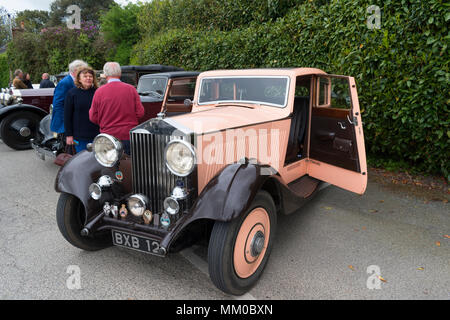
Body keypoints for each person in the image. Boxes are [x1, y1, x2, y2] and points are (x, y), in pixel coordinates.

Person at [89, 62, 144, 155]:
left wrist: (105, 121)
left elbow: (93, 117)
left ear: (105, 74)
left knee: (109, 167)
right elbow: (140, 113)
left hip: (108, 137)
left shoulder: (99, 92)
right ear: (120, 73)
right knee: (129, 166)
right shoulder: (131, 89)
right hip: (129, 136)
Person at [64, 67, 100, 153]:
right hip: (79, 136)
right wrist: (69, 135)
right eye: (85, 76)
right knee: (82, 161)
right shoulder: (72, 93)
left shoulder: (98, 92)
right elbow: (67, 116)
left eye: (90, 76)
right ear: (79, 79)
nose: (88, 78)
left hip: (97, 134)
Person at [50, 59, 88, 135]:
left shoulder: (76, 81)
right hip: (64, 125)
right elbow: (58, 105)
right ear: (75, 71)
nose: (85, 73)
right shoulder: (65, 83)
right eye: (83, 71)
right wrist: (67, 123)